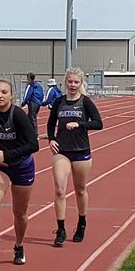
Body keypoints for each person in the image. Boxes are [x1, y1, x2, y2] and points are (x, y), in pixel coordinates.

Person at [0, 79, 39, 265]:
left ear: (11, 95)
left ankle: (19, 245)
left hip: (22, 166)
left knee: (19, 213)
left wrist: (7, 154)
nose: (0, 96)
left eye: (4, 92)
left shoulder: (19, 115)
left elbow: (33, 145)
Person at [47, 68, 103, 246]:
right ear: (65, 82)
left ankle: (81, 222)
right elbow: (50, 124)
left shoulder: (85, 102)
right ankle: (61, 229)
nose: (72, 85)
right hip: (62, 151)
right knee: (59, 190)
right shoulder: (59, 102)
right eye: (70, 82)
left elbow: (98, 123)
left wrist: (79, 124)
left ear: (81, 84)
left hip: (81, 151)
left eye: (76, 82)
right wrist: (51, 139)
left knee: (80, 189)